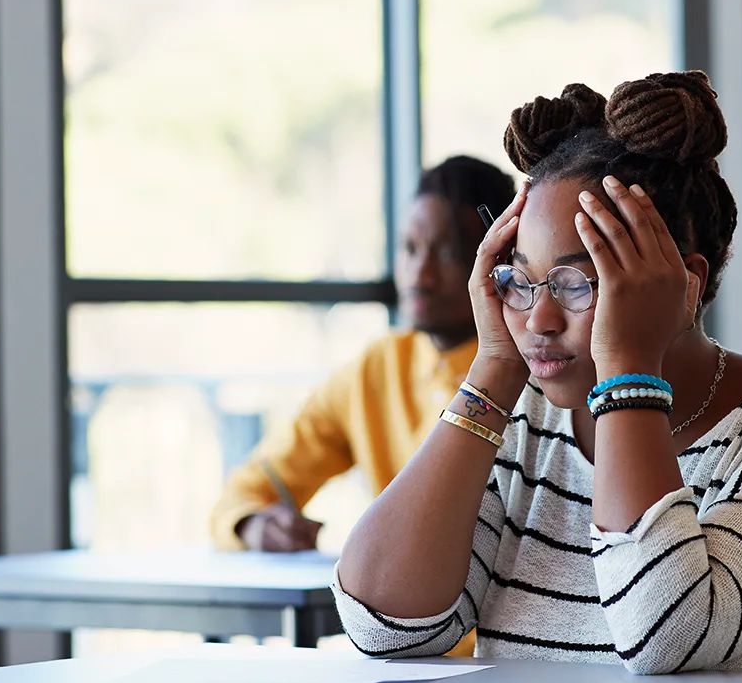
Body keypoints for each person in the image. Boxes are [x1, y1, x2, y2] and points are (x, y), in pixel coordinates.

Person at [333, 71, 742, 683]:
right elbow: (385, 627)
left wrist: (628, 371)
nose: (538, 318)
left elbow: (667, 636)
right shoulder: (527, 420)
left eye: (579, 282)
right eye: (519, 281)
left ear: (684, 284)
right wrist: (492, 370)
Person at [209, 155, 517, 554]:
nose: (418, 276)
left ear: (498, 257)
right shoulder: (376, 368)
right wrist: (252, 524)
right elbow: (246, 491)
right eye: (409, 248)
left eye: (447, 255)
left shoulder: (534, 369)